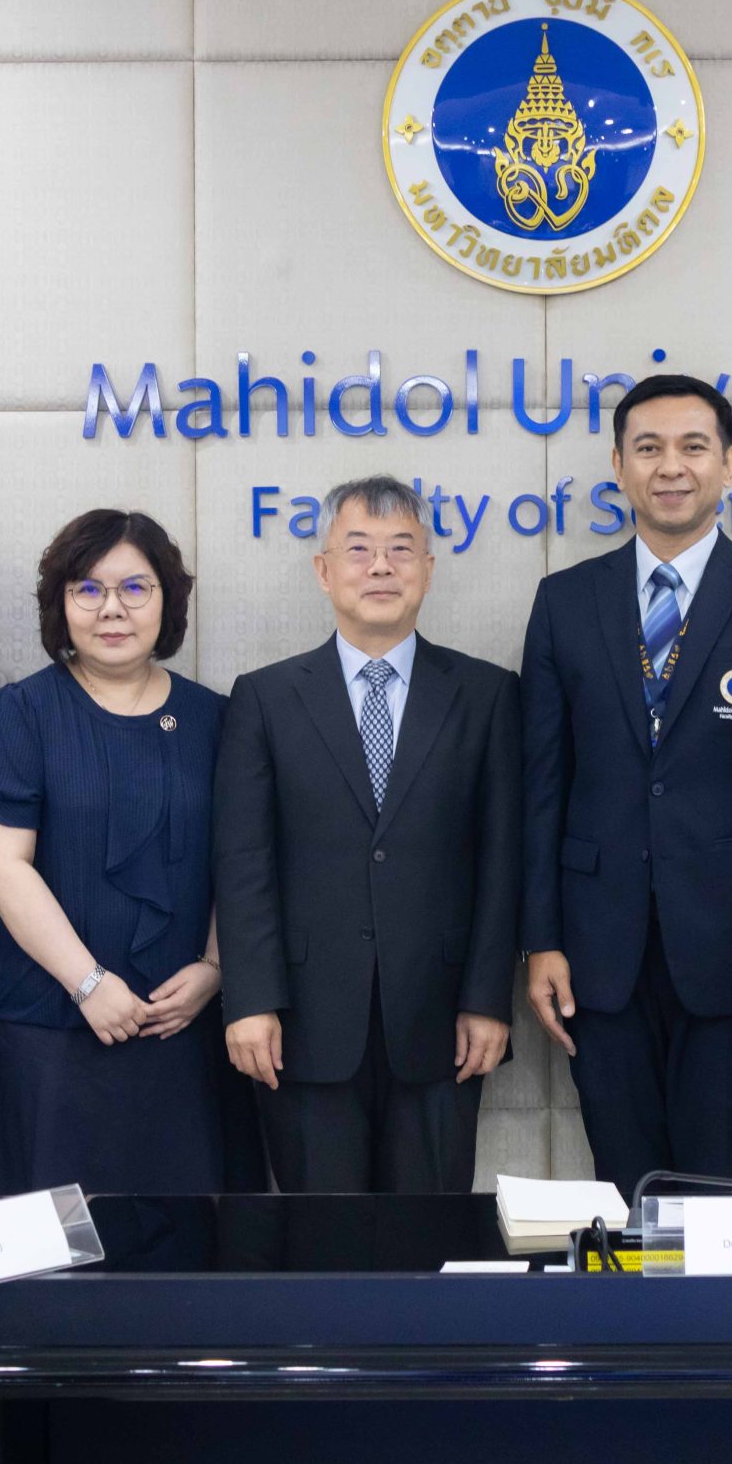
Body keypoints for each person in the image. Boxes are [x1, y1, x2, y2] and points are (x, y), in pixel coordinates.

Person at [521, 373, 732, 1196]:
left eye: (693, 446)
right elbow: (542, 786)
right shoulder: (565, 601)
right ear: (619, 465)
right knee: (623, 1183)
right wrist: (541, 939)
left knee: (724, 1181)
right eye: (649, 447)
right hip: (600, 954)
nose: (671, 466)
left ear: (728, 463)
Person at [213, 477, 521, 1193]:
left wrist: (486, 997)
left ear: (428, 570)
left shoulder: (486, 694)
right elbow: (244, 860)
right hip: (302, 1023)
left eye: (400, 549)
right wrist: (251, 1000)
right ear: (324, 570)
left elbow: (503, 859)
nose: (381, 567)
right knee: (321, 1235)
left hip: (442, 1020)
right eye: (358, 550)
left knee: (431, 1232)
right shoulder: (264, 697)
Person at [0, 509, 228, 1196]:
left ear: (167, 600)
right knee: (56, 1244)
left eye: (135, 587)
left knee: (186, 1238)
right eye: (88, 588)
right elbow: (0, 864)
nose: (112, 608)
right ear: (61, 602)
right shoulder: (23, 712)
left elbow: (246, 861)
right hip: (50, 1028)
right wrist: (88, 983)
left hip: (182, 1029)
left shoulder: (216, 718)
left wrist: (215, 968)